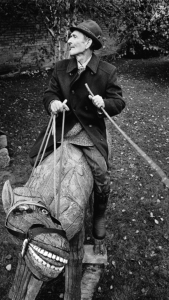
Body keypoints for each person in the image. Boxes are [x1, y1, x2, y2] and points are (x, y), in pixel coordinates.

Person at [29, 20, 125, 252]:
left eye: (74, 36)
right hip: (63, 129)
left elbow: (119, 101)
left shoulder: (107, 71)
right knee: (36, 162)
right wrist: (52, 103)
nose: (69, 41)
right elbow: (49, 92)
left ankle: (99, 216)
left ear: (88, 42)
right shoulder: (61, 67)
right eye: (69, 36)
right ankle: (39, 216)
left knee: (102, 176)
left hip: (89, 133)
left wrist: (104, 103)